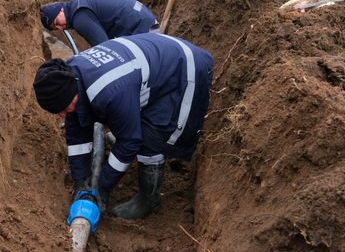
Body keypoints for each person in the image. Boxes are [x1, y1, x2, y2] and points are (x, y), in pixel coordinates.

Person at [33, 32, 213, 219]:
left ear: (72, 94)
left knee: (151, 136)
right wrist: (80, 181)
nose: (62, 115)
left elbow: (129, 142)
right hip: (156, 58)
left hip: (185, 70)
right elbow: (77, 130)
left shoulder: (109, 92)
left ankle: (149, 200)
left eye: (62, 108)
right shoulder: (70, 74)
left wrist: (102, 188)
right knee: (121, 123)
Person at [40, 0, 159, 47]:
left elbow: (105, 47)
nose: (60, 27)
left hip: (143, 31)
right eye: (55, 28)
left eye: (57, 22)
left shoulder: (79, 19)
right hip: (146, 20)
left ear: (60, 10)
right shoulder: (79, 4)